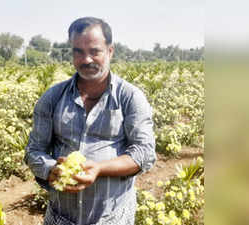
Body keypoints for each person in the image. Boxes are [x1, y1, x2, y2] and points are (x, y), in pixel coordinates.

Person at [24, 17, 156, 225]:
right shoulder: (52, 97)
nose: (86, 59)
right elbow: (34, 150)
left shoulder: (129, 97)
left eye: (94, 51)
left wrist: (99, 168)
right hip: (61, 217)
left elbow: (144, 152)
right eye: (78, 51)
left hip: (112, 218)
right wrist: (51, 169)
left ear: (110, 51)